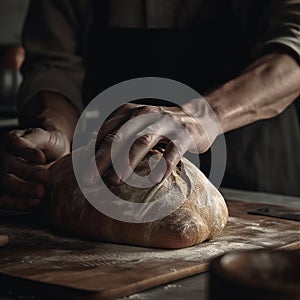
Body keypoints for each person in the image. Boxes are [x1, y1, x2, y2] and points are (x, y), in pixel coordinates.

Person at [1, 0, 300, 210]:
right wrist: (57, 133)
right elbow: (55, 66)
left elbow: (293, 51)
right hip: (113, 186)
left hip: (253, 181)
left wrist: (204, 116)